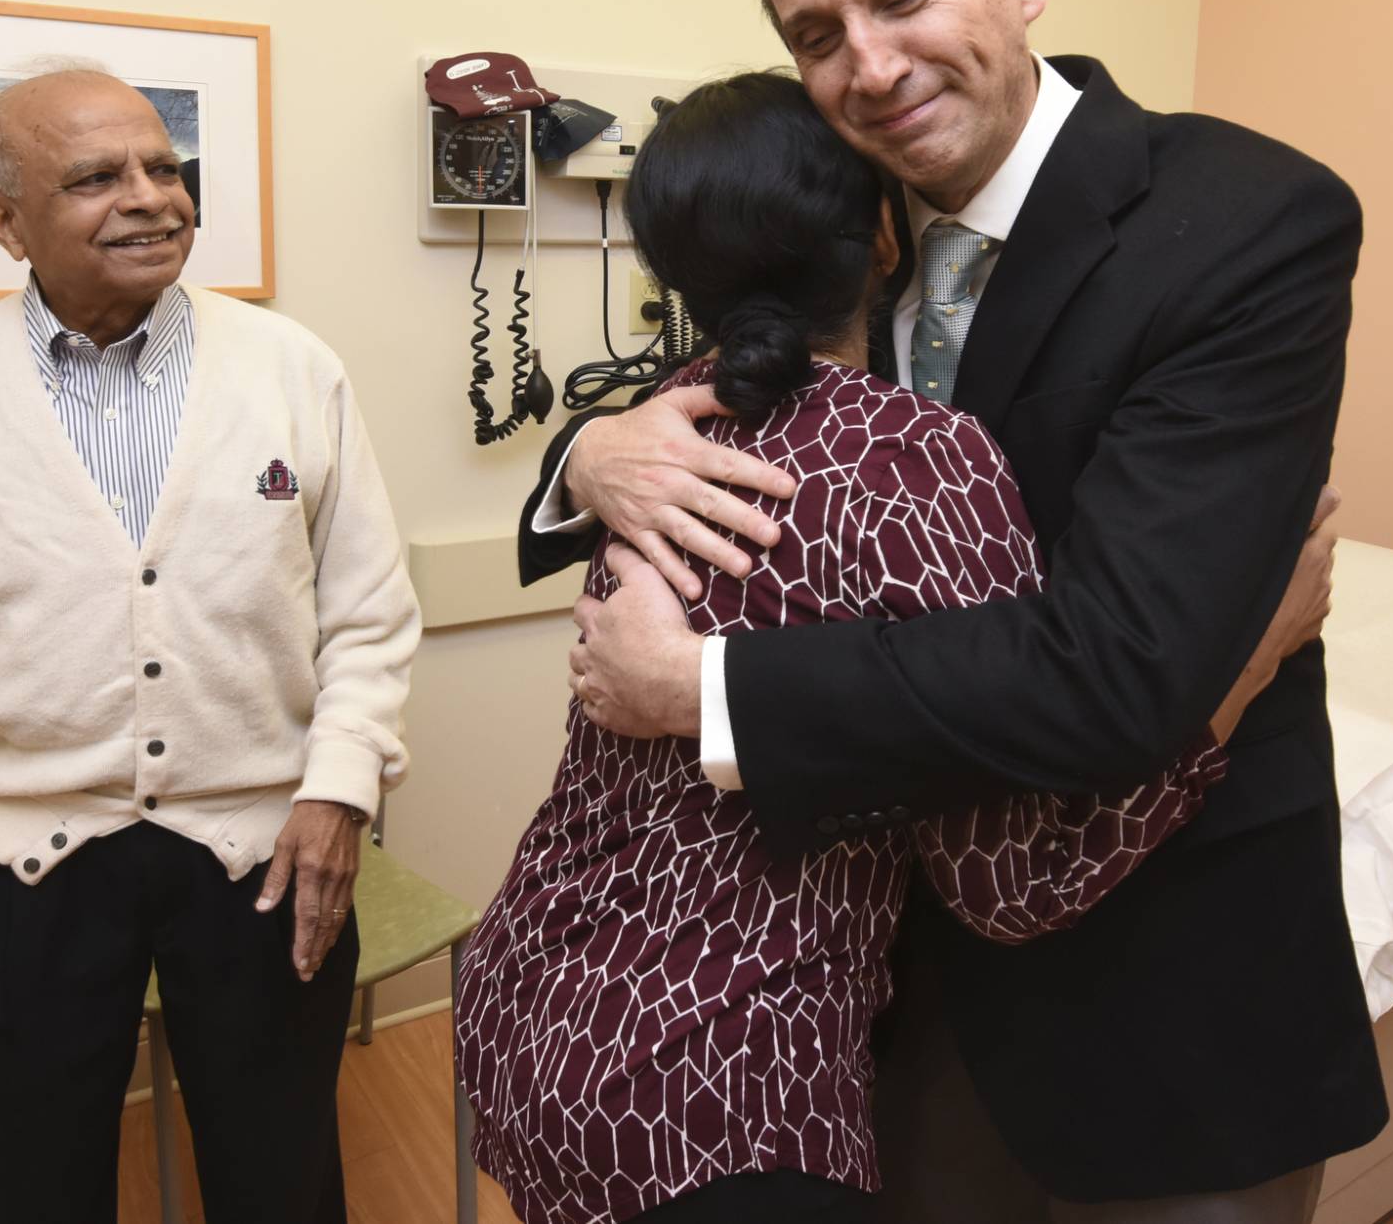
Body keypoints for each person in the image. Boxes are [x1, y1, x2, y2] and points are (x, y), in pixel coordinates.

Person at [519, 0, 1379, 1222]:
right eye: (817, 31)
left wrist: (705, 688)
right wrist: (594, 456)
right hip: (898, 997)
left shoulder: (1241, 218)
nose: (866, 62)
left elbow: (1119, 667)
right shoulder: (848, 231)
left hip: (1166, 997)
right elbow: (718, 412)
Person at [458, 71, 1259, 1224]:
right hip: (717, 1079)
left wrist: (582, 447)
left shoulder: (667, 421)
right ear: (886, 234)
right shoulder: (915, 464)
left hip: (531, 1001)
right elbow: (1014, 881)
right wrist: (1239, 673)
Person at [0, 67, 419, 1224]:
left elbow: (368, 611)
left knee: (281, 1182)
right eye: (94, 177)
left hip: (262, 851)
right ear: (2, 218)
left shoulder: (291, 369)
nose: (149, 198)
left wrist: (338, 789)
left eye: (162, 167)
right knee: (21, 1190)